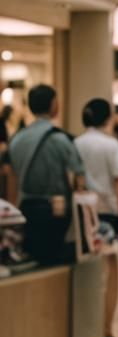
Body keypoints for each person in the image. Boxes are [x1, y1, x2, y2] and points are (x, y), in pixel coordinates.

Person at [75, 98, 118, 337]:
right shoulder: (112, 146)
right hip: (108, 212)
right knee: (112, 270)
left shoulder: (76, 143)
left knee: (87, 269)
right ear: (108, 118)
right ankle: (106, 326)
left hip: (83, 211)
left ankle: (85, 325)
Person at [7, 84, 85, 265]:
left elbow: (12, 177)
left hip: (25, 208)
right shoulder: (59, 138)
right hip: (55, 211)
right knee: (54, 261)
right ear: (54, 105)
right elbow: (79, 176)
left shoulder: (17, 139)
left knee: (33, 261)